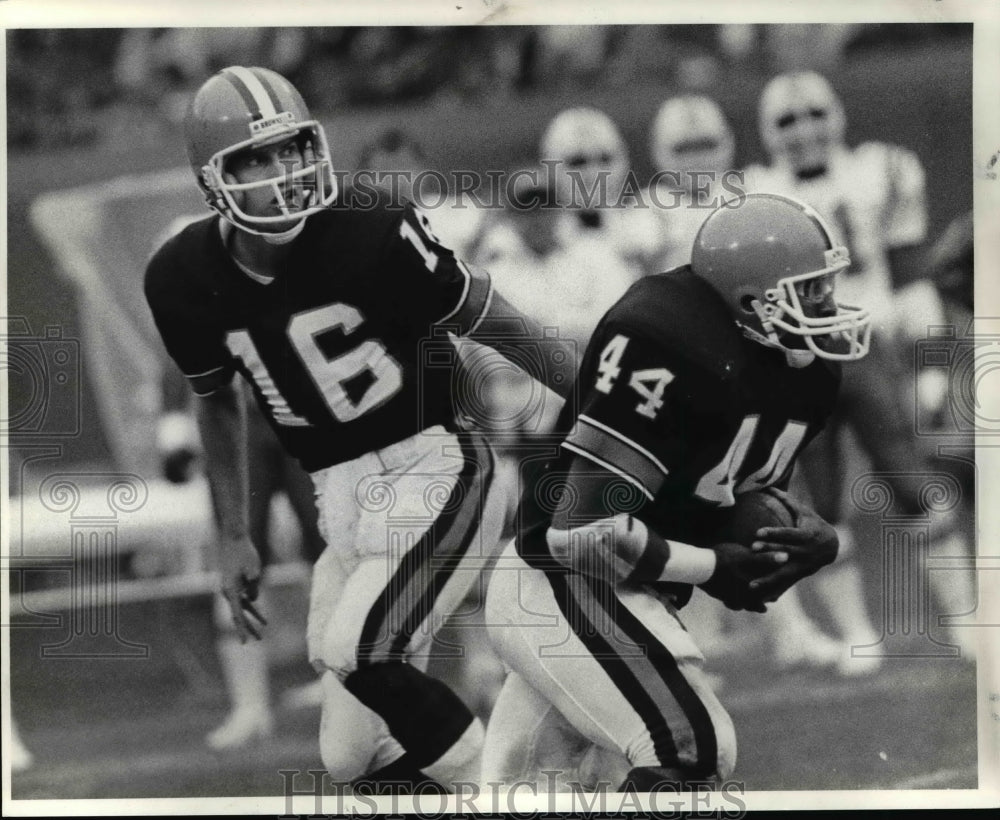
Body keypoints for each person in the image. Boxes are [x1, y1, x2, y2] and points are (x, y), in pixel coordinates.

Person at [143, 66, 575, 790]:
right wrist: (230, 534)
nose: (283, 174)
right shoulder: (181, 276)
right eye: (255, 159)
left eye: (291, 148)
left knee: (362, 647)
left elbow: (498, 320)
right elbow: (215, 401)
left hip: (437, 468)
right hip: (338, 498)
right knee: (350, 755)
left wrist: (604, 409)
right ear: (211, 180)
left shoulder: (371, 227)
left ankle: (508, 791)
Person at [481, 192, 870, 791]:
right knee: (689, 748)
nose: (826, 306)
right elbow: (580, 533)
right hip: (557, 582)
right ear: (753, 300)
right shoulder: (663, 340)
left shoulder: (805, 369)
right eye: (809, 290)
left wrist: (801, 540)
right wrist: (713, 567)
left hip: (628, 589)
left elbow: (733, 501)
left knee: (540, 789)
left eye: (825, 287)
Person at [744, 70, 972, 665]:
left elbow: (911, 273)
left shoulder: (882, 170)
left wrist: (929, 363)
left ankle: (968, 622)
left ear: (839, 115)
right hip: (796, 363)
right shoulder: (754, 194)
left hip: (865, 345)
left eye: (815, 113)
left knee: (910, 477)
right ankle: (854, 632)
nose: (804, 130)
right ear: (767, 132)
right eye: (787, 120)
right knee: (819, 505)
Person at [645, 93, 850, 673]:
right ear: (660, 154)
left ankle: (768, 630)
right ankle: (684, 641)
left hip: (739, 372)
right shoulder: (641, 216)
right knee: (682, 504)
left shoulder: (755, 201)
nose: (696, 158)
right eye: (682, 147)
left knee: (745, 493)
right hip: (675, 380)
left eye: (706, 144)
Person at [157, 364, 325, 749]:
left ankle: (347, 687)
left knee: (333, 552)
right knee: (238, 564)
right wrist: (173, 420)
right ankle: (249, 707)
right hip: (235, 416)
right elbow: (178, 331)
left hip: (306, 405)